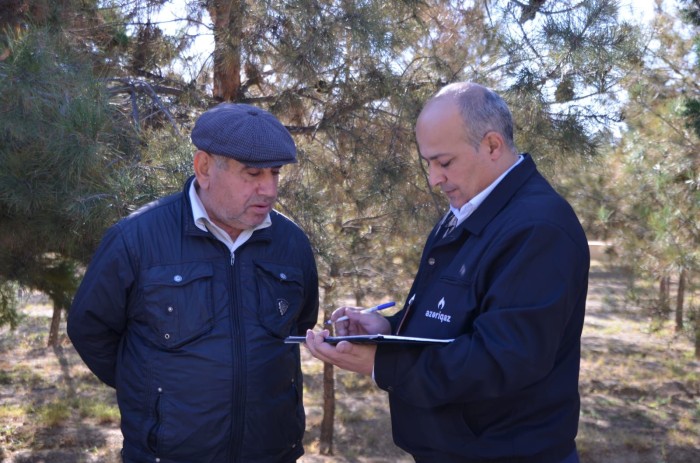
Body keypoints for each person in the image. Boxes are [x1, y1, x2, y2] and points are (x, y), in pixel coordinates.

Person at [304, 82, 589, 463]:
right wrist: (390, 331)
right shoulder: (469, 210)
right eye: (428, 163)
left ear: (491, 145)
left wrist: (381, 363)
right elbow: (453, 317)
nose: (434, 178)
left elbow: (504, 359)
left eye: (444, 162)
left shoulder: (538, 227)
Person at [68, 103, 319, 463]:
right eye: (252, 173)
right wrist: (153, 395)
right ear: (203, 167)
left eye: (275, 173)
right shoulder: (136, 239)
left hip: (272, 453)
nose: (268, 189)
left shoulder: (291, 244)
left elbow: (300, 321)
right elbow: (90, 329)